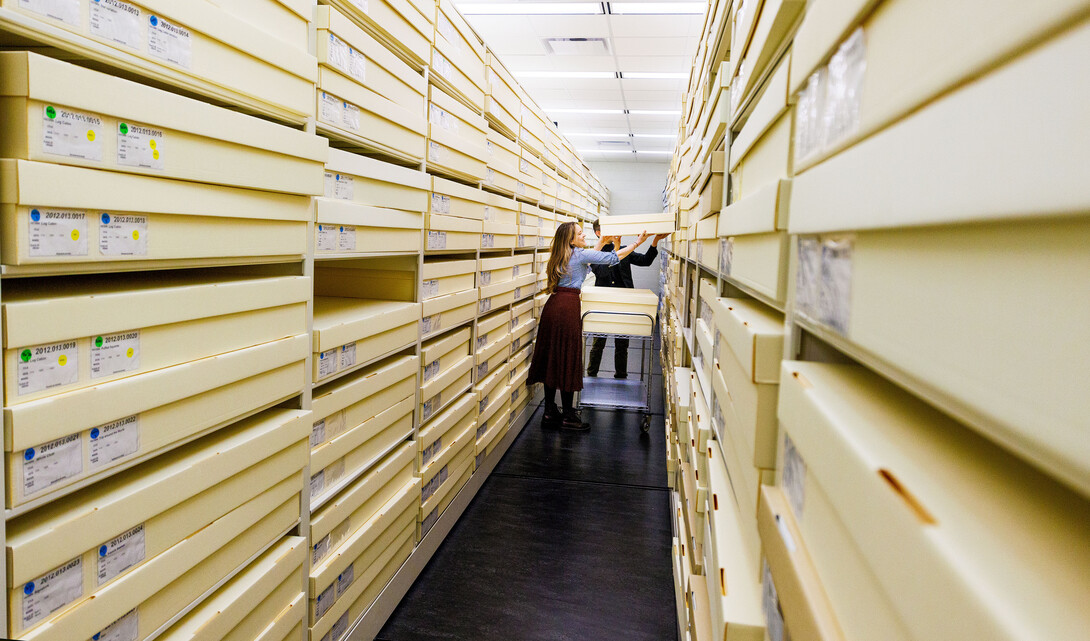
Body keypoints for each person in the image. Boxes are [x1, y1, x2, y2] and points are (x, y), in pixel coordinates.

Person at [529, 222, 651, 430]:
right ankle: (568, 415)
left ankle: (550, 411)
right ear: (571, 239)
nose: (583, 234)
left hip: (554, 305)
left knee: (552, 358)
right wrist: (637, 243)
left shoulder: (562, 253)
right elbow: (612, 258)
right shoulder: (579, 255)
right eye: (579, 233)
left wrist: (601, 243)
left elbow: (585, 259)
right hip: (568, 309)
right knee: (568, 356)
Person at [587, 220, 669, 379]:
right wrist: (617, 248)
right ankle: (591, 376)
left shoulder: (626, 250)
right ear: (599, 233)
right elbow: (603, 273)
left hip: (624, 304)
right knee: (598, 344)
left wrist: (655, 242)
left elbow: (645, 261)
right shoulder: (595, 254)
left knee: (622, 343)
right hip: (603, 304)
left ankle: (621, 376)